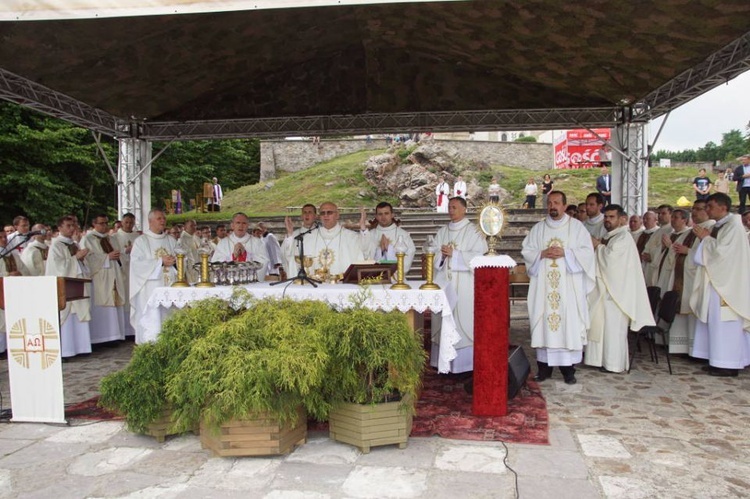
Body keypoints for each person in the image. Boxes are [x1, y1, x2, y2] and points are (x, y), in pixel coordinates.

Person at [522, 191, 595, 384]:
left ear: (564, 205)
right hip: (544, 289)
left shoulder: (577, 228)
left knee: (567, 326)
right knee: (545, 325)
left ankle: (568, 371)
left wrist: (566, 253)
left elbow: (587, 253)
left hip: (568, 289)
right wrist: (541, 254)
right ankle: (544, 369)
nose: (552, 206)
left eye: (556, 203)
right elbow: (527, 251)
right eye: (550, 203)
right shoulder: (538, 229)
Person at [585, 204, 654, 372]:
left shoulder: (624, 237)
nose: (608, 220)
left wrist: (597, 246)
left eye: (612, 217)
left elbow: (612, 262)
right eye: (606, 217)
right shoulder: (611, 236)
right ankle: (599, 360)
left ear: (622, 219)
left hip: (616, 293)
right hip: (605, 290)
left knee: (613, 331)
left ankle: (613, 365)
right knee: (601, 327)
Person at [689, 193, 750, 377]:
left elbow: (723, 255)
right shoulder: (721, 225)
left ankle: (728, 364)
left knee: (726, 324)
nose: (707, 210)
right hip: (717, 282)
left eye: (710, 207)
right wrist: (707, 239)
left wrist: (706, 238)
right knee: (715, 323)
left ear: (723, 208)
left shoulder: (734, 227)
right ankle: (717, 360)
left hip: (727, 286)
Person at [431, 197, 488, 373]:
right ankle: (444, 365)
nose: (451, 210)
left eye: (454, 207)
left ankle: (465, 366)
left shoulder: (474, 231)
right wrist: (440, 256)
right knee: (444, 322)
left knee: (463, 323)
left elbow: (479, 256)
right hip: (444, 283)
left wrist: (455, 255)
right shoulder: (442, 231)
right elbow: (433, 254)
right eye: (449, 207)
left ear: (464, 209)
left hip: (464, 286)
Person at [665, 201, 715, 354]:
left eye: (699, 209)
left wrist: (689, 252)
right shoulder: (690, 231)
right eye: (693, 209)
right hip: (683, 277)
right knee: (682, 311)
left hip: (696, 279)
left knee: (694, 310)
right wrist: (672, 248)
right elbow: (675, 249)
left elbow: (713, 254)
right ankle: (683, 348)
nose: (695, 212)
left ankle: (697, 351)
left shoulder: (712, 228)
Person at [45, 215, 92, 357]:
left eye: (73, 225)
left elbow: (79, 264)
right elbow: (58, 267)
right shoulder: (56, 246)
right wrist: (76, 258)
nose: (72, 229)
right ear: (59, 228)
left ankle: (81, 348)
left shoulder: (74, 244)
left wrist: (81, 259)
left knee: (77, 314)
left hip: (76, 284)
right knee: (66, 316)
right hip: (64, 286)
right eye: (68, 226)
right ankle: (66, 351)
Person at [130, 209, 177, 344]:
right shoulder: (141, 241)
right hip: (150, 289)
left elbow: (182, 257)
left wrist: (176, 260)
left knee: (169, 316)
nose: (163, 221)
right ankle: (149, 344)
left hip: (170, 285)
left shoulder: (171, 240)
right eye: (159, 218)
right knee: (153, 319)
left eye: (164, 218)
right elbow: (136, 264)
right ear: (150, 221)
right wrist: (160, 262)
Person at [288, 202, 368, 278]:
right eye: (323, 213)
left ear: (337, 215)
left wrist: (363, 227)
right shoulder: (308, 237)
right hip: (315, 285)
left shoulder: (351, 237)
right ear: (319, 216)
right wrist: (289, 234)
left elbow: (365, 249)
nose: (326, 216)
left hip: (342, 284)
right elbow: (291, 256)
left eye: (329, 212)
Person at [81, 214, 126, 344]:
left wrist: (118, 256)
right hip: (100, 278)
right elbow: (88, 259)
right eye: (101, 223)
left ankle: (115, 335)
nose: (105, 226)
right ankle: (101, 338)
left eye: (106, 223)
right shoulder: (88, 239)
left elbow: (120, 254)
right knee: (102, 306)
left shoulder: (112, 239)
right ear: (94, 224)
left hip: (114, 274)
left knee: (114, 305)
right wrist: (106, 258)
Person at [212, 213, 270, 280]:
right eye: (238, 223)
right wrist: (232, 257)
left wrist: (246, 255)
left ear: (248, 225)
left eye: (244, 223)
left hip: (250, 283)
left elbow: (264, 261)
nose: (241, 226)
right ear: (232, 225)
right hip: (228, 282)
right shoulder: (223, 243)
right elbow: (215, 263)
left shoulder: (257, 242)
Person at [365, 202, 416, 274]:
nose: (383, 217)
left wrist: (389, 249)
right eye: (380, 214)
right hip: (374, 277)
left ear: (392, 215)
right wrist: (380, 251)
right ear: (376, 216)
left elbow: (410, 253)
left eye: (386, 213)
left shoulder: (403, 234)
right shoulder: (370, 235)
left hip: (396, 277)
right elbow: (365, 255)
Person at [0, 230, 28, 353]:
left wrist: (20, 274)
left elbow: (24, 269)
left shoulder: (14, 254)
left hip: (15, 291)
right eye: (0, 237)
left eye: (5, 237)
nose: (4, 239)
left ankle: (11, 346)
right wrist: (7, 274)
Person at [113, 213, 140, 337]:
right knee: (124, 295)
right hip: (122, 270)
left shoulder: (138, 237)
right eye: (126, 222)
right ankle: (124, 330)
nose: (129, 225)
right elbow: (114, 252)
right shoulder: (115, 237)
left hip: (135, 271)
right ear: (122, 222)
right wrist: (125, 251)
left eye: (131, 223)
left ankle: (134, 329)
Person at [281, 204, 318, 277]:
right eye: (304, 212)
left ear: (315, 216)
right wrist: (289, 233)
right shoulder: (294, 234)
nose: (307, 215)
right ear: (301, 216)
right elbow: (285, 254)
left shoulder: (321, 234)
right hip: (298, 275)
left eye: (310, 212)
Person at [642, 205, 673, 286]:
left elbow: (666, 249)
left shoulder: (672, 230)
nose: (660, 216)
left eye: (663, 213)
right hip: (650, 267)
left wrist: (652, 256)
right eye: (658, 214)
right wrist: (645, 255)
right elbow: (647, 248)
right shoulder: (657, 231)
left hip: (661, 268)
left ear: (671, 214)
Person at [636, 211, 659, 276]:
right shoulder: (641, 234)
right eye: (644, 219)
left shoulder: (658, 233)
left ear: (655, 219)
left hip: (651, 264)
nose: (645, 221)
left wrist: (652, 257)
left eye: (648, 219)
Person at [178, 219, 201, 283]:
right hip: (190, 268)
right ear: (185, 227)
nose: (194, 227)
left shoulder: (196, 237)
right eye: (191, 226)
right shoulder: (183, 239)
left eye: (195, 225)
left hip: (199, 267)